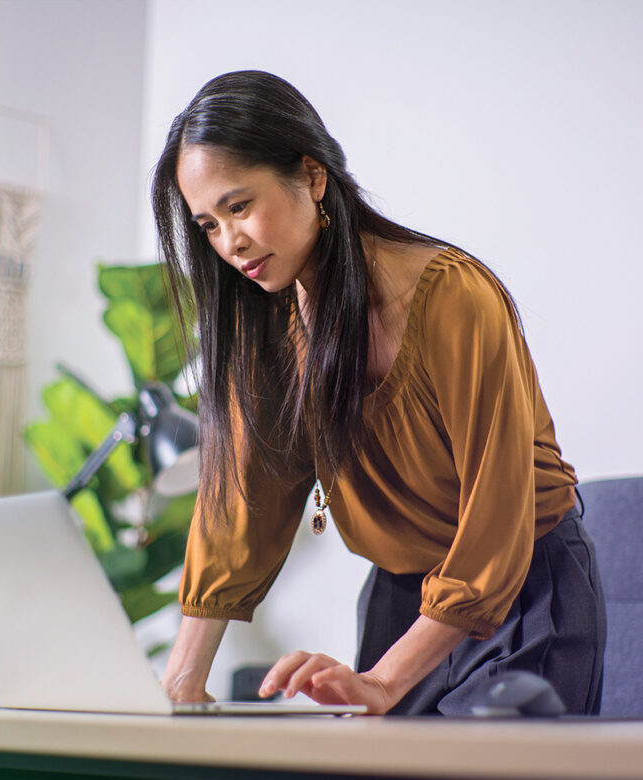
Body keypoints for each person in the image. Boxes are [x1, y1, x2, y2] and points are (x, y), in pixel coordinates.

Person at [151, 70, 605, 716]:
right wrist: (180, 685)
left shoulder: (453, 297)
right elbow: (241, 510)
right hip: (400, 598)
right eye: (207, 225)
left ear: (312, 176)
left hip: (523, 591)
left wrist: (387, 681)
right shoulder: (266, 330)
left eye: (239, 206)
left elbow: (495, 521)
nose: (230, 243)